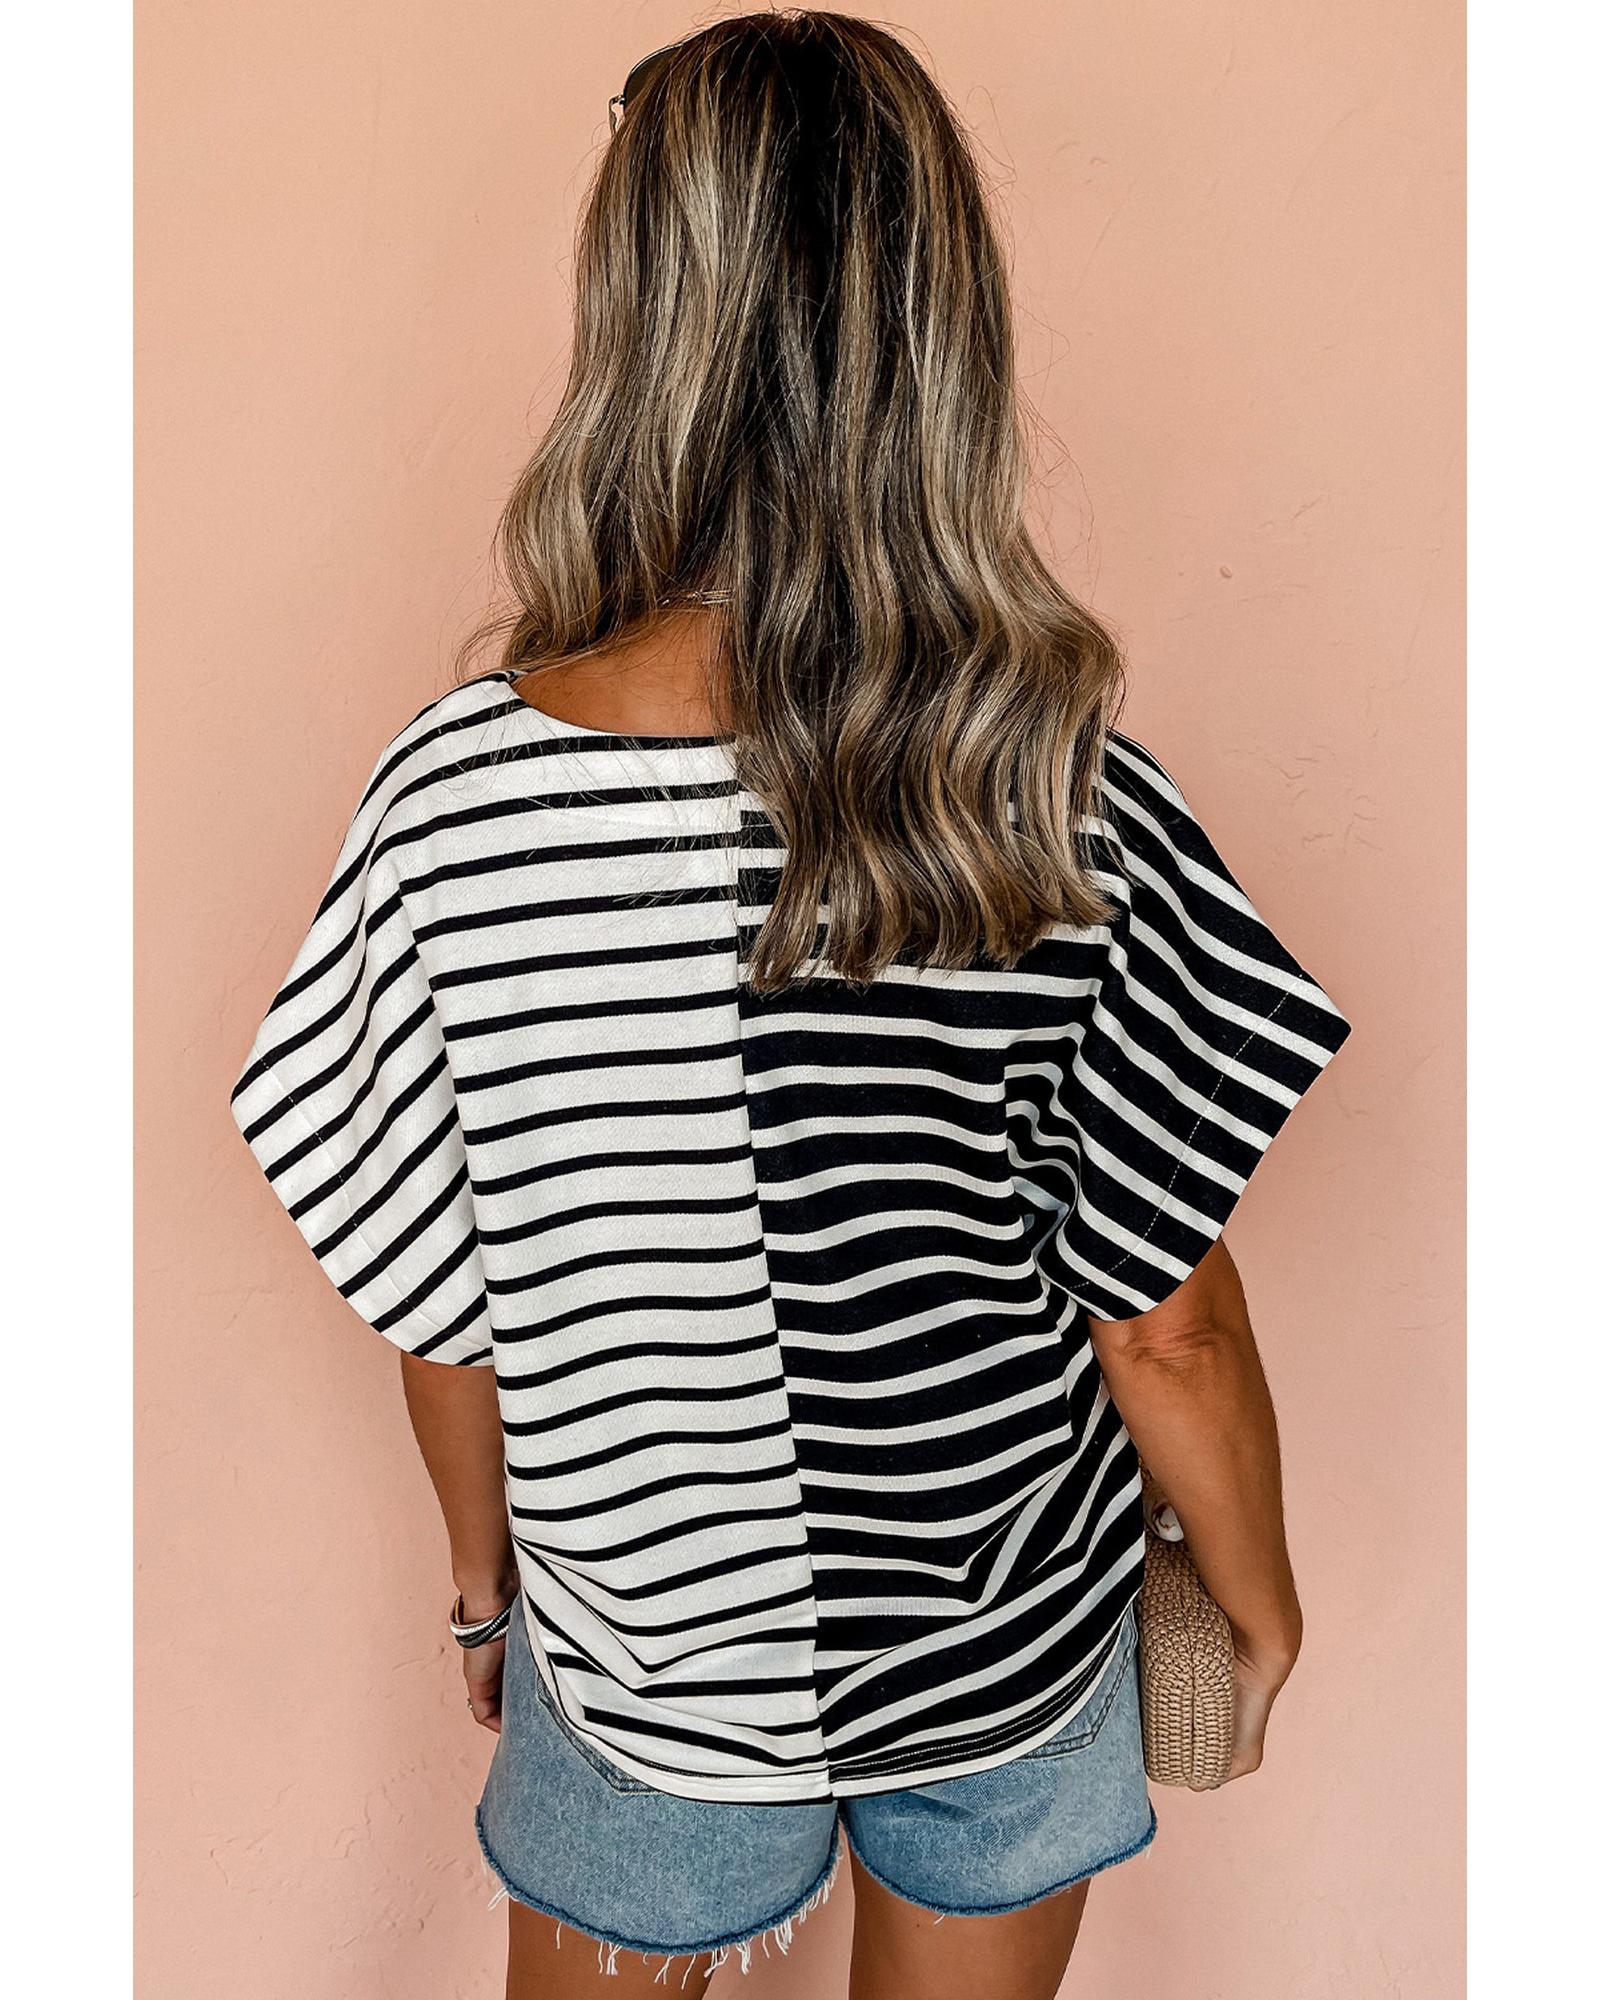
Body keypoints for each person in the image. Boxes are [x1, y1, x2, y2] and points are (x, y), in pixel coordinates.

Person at [229, 12, 1353, 1997]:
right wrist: (1253, 1597)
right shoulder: (1055, 783)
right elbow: (1165, 1314)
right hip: (1001, 1641)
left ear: (633, 316)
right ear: (941, 327)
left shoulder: (449, 800)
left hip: (642, 1656)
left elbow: (437, 1299)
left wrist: (488, 1592)